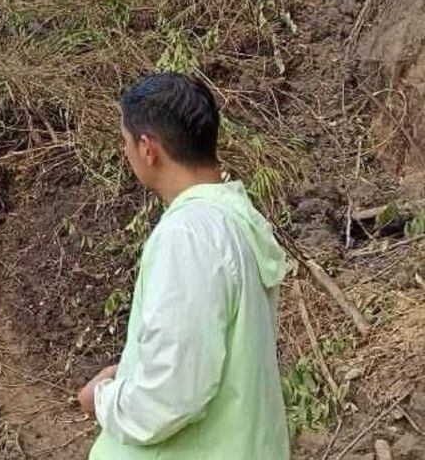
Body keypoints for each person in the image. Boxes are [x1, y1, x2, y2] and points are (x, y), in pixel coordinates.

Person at [79, 73, 290, 460]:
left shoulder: (189, 236)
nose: (125, 152)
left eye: (125, 141)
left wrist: (103, 399)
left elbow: (172, 394)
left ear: (147, 148)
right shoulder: (235, 219)